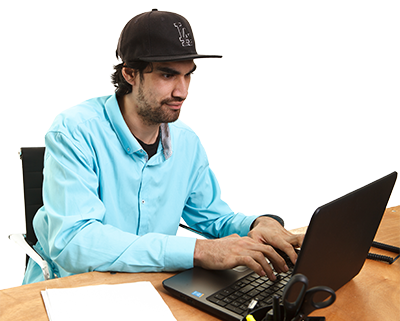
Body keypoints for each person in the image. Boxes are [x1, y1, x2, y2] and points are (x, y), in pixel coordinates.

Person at [23, 9, 303, 284]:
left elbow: (213, 217)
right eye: (168, 75)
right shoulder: (74, 132)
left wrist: (257, 225)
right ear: (130, 74)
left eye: (188, 75)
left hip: (150, 287)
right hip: (72, 287)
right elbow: (75, 243)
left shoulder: (186, 142)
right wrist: (198, 251)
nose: (182, 91)